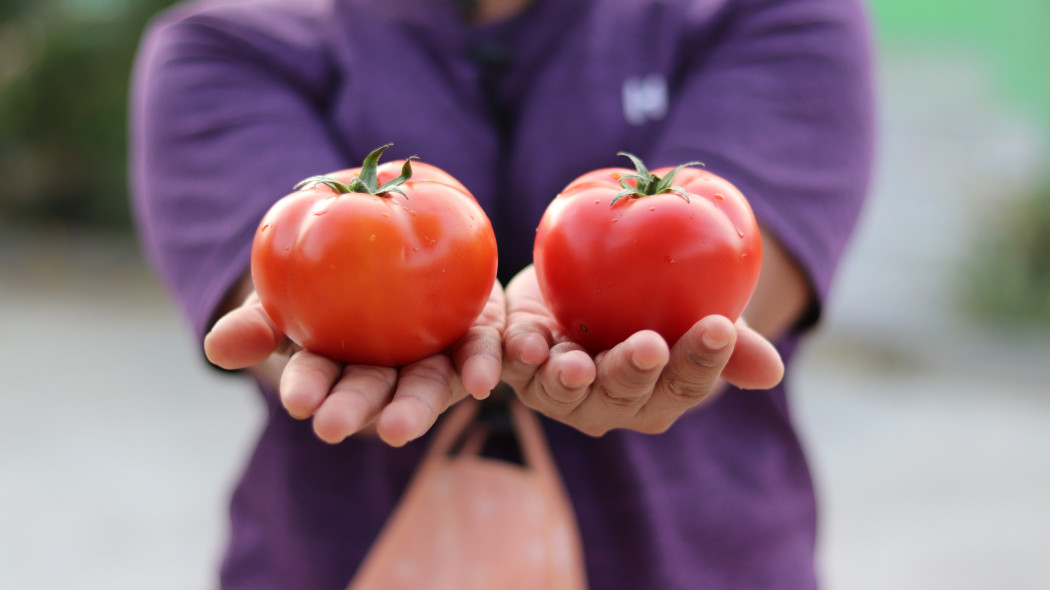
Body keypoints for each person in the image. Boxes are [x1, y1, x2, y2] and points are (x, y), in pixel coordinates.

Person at [130, 0, 874, 588]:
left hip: (699, 565)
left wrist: (668, 337)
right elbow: (271, 296)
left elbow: (742, 288)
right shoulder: (221, 46)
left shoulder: (768, 11)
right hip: (333, 563)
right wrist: (324, 339)